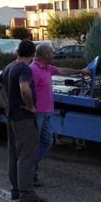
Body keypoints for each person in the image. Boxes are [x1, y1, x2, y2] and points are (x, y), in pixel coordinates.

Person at [0, 40, 47, 202]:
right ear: (33, 54)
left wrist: (7, 105)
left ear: (18, 52)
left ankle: (16, 190)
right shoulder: (24, 69)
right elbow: (24, 87)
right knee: (27, 156)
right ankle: (27, 193)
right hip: (24, 118)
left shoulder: (9, 67)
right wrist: (31, 107)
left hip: (12, 116)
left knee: (14, 155)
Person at [30, 44, 90, 186]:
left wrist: (80, 71)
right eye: (51, 53)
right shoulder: (34, 70)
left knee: (47, 141)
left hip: (47, 112)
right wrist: (31, 108)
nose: (53, 55)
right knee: (32, 144)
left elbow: (62, 70)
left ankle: (31, 166)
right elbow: (25, 90)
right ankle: (28, 173)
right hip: (37, 113)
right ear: (44, 55)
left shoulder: (47, 68)